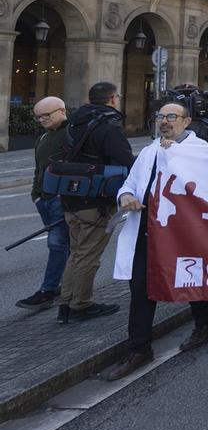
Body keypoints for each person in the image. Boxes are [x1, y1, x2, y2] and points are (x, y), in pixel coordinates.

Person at [104, 102, 208, 381]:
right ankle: (139, 349)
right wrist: (125, 196)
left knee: (191, 279)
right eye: (160, 116)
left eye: (171, 116)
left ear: (187, 121)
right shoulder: (148, 151)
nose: (164, 121)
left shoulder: (201, 150)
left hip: (183, 232)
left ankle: (205, 324)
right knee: (141, 287)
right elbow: (130, 184)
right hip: (147, 229)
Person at [57, 82, 133, 324]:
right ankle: (80, 305)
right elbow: (125, 160)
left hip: (71, 196)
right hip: (95, 200)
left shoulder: (74, 122)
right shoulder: (107, 126)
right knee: (89, 256)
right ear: (112, 99)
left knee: (76, 253)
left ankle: (66, 304)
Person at [16, 97, 72, 312]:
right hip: (44, 200)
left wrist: (61, 195)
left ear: (62, 111)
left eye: (46, 115)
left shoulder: (71, 134)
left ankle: (48, 290)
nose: (42, 120)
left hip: (60, 199)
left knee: (57, 244)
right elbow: (38, 169)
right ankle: (65, 286)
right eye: (38, 117)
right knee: (64, 245)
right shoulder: (43, 137)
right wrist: (36, 195)